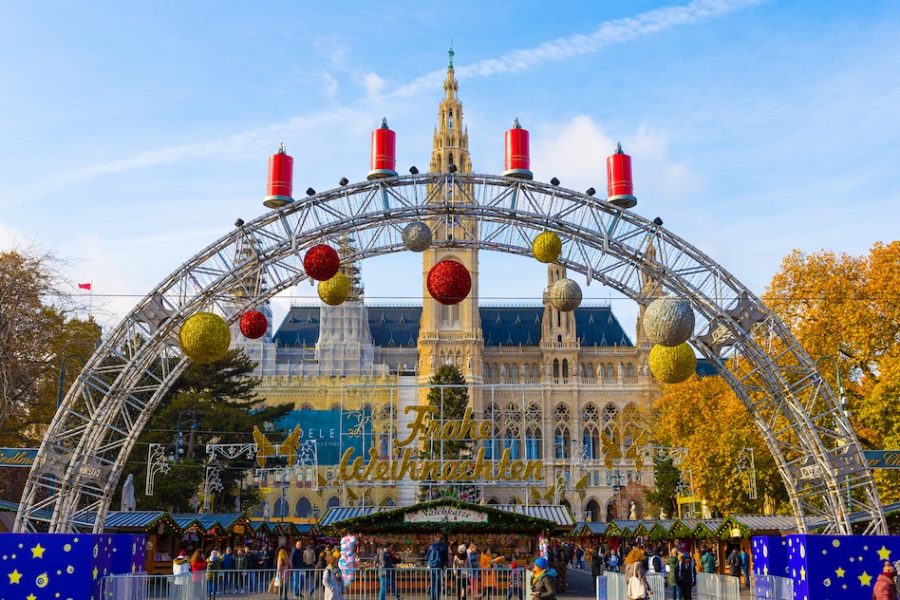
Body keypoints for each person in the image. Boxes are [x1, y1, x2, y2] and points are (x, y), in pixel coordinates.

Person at [426, 534, 449, 600]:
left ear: (436, 538)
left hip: (431, 567)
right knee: (438, 584)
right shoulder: (444, 546)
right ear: (442, 539)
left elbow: (427, 556)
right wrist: (445, 564)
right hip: (439, 567)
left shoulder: (431, 546)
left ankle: (432, 598)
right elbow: (445, 558)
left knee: (433, 584)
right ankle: (436, 598)